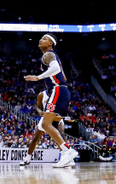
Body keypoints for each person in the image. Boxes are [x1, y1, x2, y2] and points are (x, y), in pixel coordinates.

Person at [24, 33, 79, 168]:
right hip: (63, 91)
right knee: (51, 126)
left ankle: (67, 151)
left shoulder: (48, 54)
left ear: (50, 43)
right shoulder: (51, 55)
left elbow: (56, 69)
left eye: (44, 38)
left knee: (46, 125)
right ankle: (68, 158)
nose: (40, 40)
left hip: (58, 90)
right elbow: (62, 76)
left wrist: (38, 77)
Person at [19, 90, 74, 166]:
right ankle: (27, 159)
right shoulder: (41, 94)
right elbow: (38, 107)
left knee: (61, 136)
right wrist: (40, 111)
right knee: (36, 138)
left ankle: (67, 159)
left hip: (57, 117)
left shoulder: (59, 93)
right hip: (46, 118)